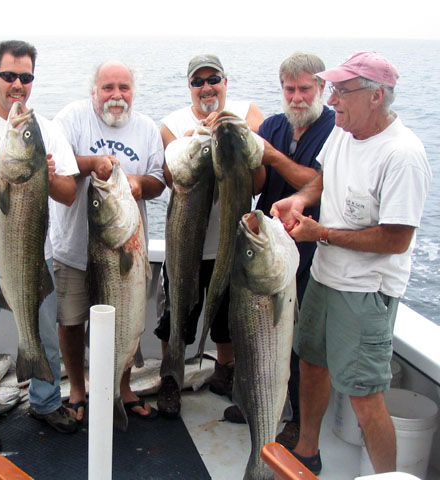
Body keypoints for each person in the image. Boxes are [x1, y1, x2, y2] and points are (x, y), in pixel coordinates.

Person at [271, 51, 431, 475]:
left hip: (365, 291)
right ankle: (307, 451)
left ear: (376, 96)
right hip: (326, 277)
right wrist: (301, 198)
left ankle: (388, 477)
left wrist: (318, 233)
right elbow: (324, 176)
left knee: (363, 395)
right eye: (335, 89)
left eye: (343, 90)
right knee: (310, 363)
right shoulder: (343, 131)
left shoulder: (403, 155)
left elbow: (396, 240)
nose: (334, 99)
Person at [0, 40, 79, 452]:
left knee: (44, 335)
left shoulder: (45, 128)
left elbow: (67, 193)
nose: (17, 84)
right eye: (9, 75)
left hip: (31, 255)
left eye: (25, 77)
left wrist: (44, 174)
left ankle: (46, 402)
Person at [222, 53, 335, 450]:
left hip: (311, 253)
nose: (298, 97)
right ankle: (261, 407)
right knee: (256, 341)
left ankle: (299, 424)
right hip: (269, 251)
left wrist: (271, 155)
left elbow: (321, 182)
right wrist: (245, 152)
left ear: (322, 88)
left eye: (305, 88)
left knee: (301, 346)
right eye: (290, 89)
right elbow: (258, 184)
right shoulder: (271, 125)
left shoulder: (333, 130)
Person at [51, 60, 165, 422]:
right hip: (73, 249)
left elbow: (159, 181)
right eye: (108, 88)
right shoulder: (71, 118)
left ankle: (122, 387)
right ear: (93, 91)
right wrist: (93, 164)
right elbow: (55, 161)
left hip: (125, 250)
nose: (116, 95)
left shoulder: (146, 128)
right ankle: (78, 387)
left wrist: (138, 185)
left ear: (134, 91)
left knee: (127, 320)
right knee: (71, 321)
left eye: (124, 88)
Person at [155, 54, 264, 418]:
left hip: (231, 243)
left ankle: (224, 372)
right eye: (198, 82)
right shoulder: (172, 123)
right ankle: (171, 375)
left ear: (225, 81)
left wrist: (231, 129)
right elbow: (173, 176)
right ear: (189, 87)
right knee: (178, 311)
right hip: (187, 245)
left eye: (213, 79)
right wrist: (198, 136)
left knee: (229, 317)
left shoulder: (248, 112)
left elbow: (258, 166)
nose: (206, 88)